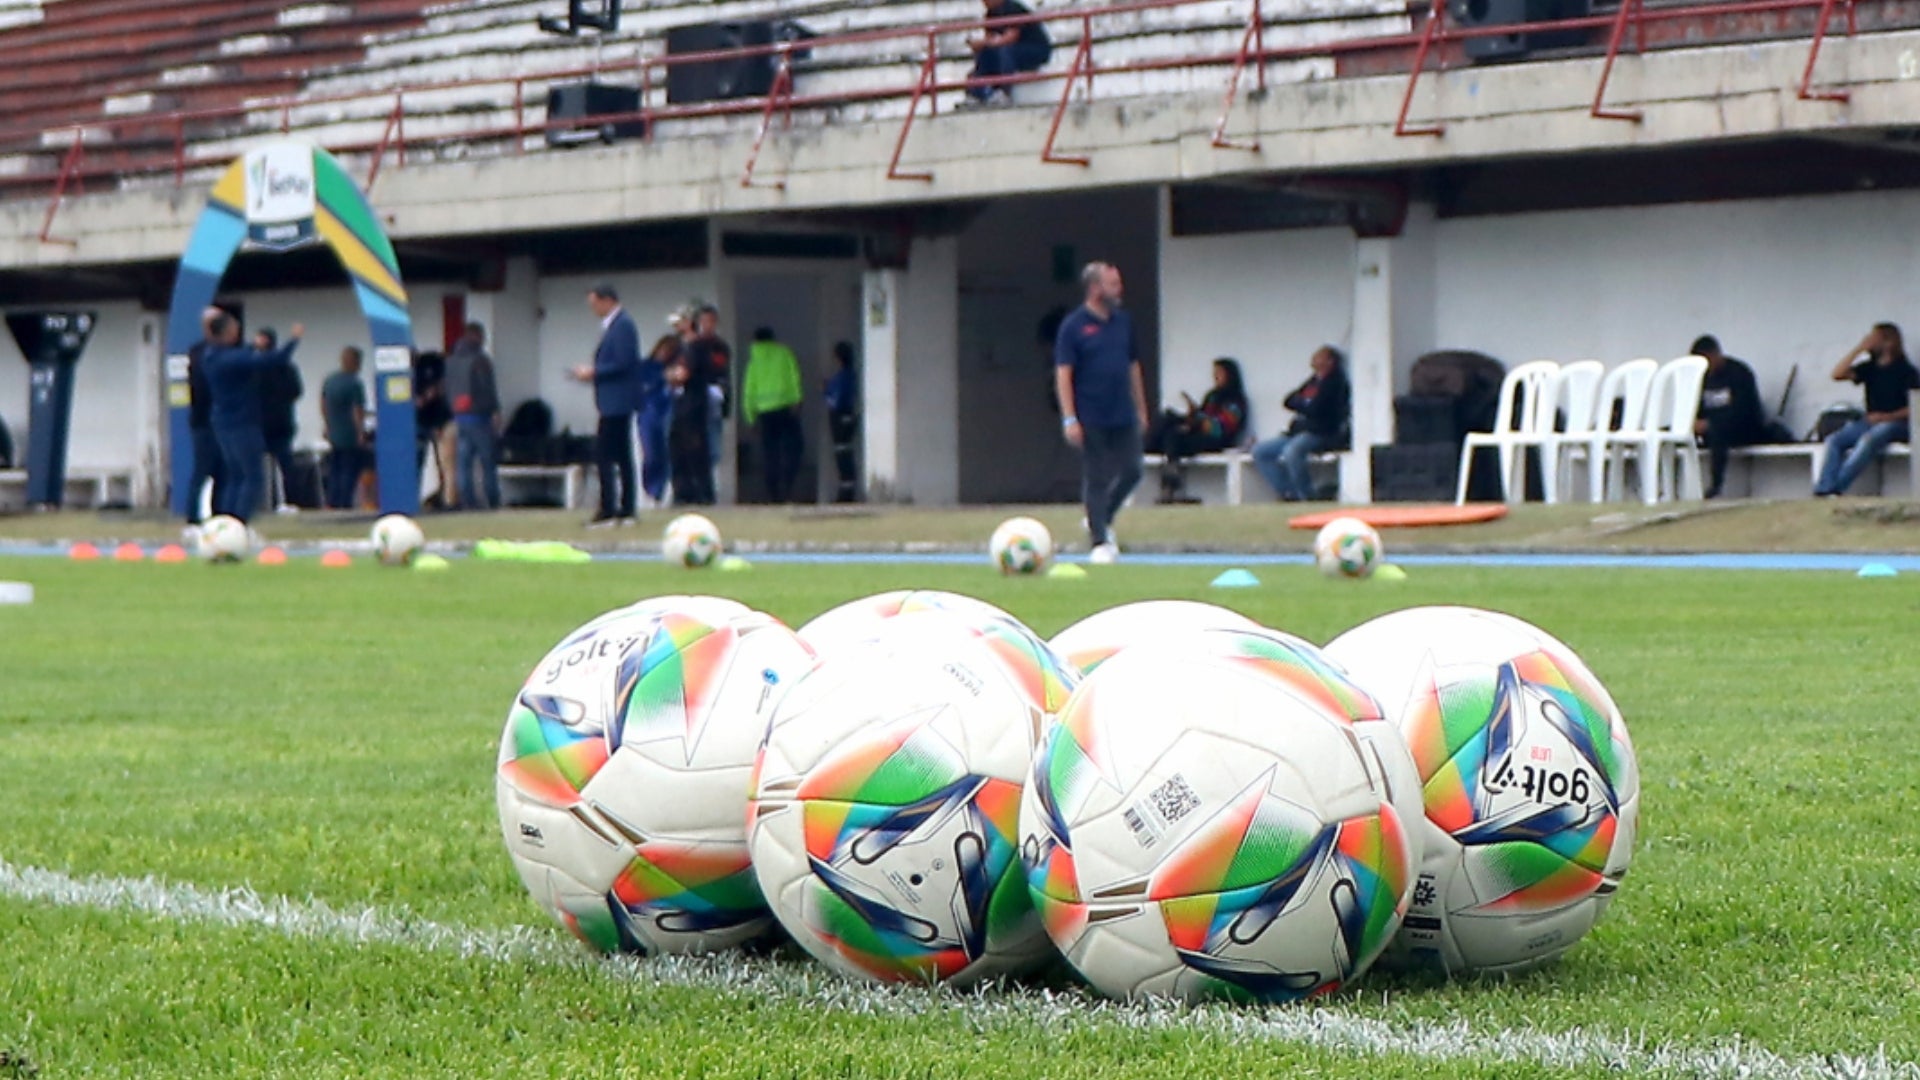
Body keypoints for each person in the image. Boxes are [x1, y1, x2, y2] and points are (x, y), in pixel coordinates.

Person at [1054, 261, 1148, 563]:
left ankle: (1100, 516)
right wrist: (1070, 417)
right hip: (1091, 413)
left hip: (1122, 412)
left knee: (1133, 470)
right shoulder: (1074, 326)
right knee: (1096, 475)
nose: (1119, 290)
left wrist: (1141, 408)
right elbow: (1064, 374)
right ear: (1095, 288)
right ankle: (1099, 541)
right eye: (1112, 284)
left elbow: (1133, 366)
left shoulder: (1123, 322)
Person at [203, 315, 301, 524]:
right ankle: (239, 523)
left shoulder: (211, 356)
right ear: (225, 332)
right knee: (252, 477)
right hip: (242, 422)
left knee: (235, 476)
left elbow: (242, 355)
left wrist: (253, 346)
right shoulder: (230, 360)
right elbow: (273, 360)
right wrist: (293, 340)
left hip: (222, 422)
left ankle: (226, 522)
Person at [1814, 322, 1920, 496]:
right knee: (1834, 440)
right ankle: (1824, 487)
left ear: (1888, 342)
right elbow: (1837, 374)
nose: (1869, 341)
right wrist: (1858, 349)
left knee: (1868, 440)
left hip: (1897, 424)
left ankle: (1836, 488)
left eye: (1874, 338)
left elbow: (1915, 407)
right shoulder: (1870, 368)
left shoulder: (1906, 371)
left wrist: (1887, 416)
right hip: (1869, 421)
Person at [570, 283, 643, 526]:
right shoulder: (616, 325)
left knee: (604, 454)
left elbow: (624, 362)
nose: (593, 309)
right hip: (613, 400)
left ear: (607, 300)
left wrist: (594, 372)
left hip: (618, 402)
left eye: (594, 303)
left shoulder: (622, 326)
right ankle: (626, 508)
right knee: (621, 455)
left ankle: (610, 507)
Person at [1252, 346, 1350, 502]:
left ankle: (1307, 495)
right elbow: (1289, 400)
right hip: (1298, 431)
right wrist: (1305, 403)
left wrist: (1303, 403)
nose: (1313, 359)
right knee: (1261, 451)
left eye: (1319, 356)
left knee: (1292, 451)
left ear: (1330, 361)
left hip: (1321, 433)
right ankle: (1289, 493)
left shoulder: (1335, 382)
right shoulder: (1313, 381)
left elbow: (1318, 408)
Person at [1148, 358, 1249, 503]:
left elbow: (1221, 428)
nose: (1215, 376)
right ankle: (1164, 465)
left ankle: (1170, 481)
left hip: (1217, 440)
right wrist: (1191, 418)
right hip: (1200, 432)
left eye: (1219, 373)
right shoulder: (1212, 396)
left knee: (1174, 437)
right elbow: (1201, 417)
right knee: (1168, 420)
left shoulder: (1236, 399)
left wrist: (1197, 418)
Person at [1689, 335, 1766, 499]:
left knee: (1718, 431)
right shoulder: (1699, 379)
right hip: (1710, 431)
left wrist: (1711, 424)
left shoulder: (1739, 373)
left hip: (1743, 429)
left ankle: (1716, 486)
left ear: (1715, 355)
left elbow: (1745, 411)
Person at [743, 326, 805, 503]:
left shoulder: (753, 362)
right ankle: (787, 488)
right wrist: (798, 400)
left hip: (764, 413)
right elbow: (795, 377)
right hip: (787, 409)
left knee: (770, 454)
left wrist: (750, 418)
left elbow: (749, 391)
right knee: (793, 449)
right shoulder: (785, 354)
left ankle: (773, 494)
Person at [446, 322, 502, 511]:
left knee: (464, 464)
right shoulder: (480, 360)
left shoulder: (452, 360)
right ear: (477, 336)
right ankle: (492, 500)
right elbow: (487, 388)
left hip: (459, 416)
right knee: (487, 462)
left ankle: (468, 501)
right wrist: (495, 411)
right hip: (479, 416)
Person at [252, 328, 304, 513]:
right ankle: (290, 501)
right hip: (283, 419)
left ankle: (259, 502)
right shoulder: (288, 368)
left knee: (256, 465)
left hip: (259, 422)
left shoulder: (255, 367)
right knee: (286, 465)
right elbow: (297, 391)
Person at [964, 0, 1051, 106]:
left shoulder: (1012, 7)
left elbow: (1010, 37)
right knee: (985, 53)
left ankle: (1004, 92)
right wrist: (979, 45)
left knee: (1005, 51)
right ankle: (976, 94)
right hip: (1011, 50)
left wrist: (985, 43)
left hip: (1034, 49)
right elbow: (990, 39)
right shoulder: (991, 14)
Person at [185, 306, 227, 523]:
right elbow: (201, 387)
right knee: (202, 469)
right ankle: (193, 518)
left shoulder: (225, 351)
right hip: (204, 420)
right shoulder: (200, 353)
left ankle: (220, 515)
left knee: (224, 470)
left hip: (222, 421)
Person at [321, 347, 369, 510]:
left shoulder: (330, 381)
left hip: (334, 431)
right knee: (349, 470)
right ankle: (345, 502)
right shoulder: (354, 383)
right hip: (349, 433)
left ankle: (332, 501)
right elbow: (357, 410)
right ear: (356, 362)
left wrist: (327, 425)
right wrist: (360, 432)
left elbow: (324, 404)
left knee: (335, 469)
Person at [639, 330, 678, 506]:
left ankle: (661, 490)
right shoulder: (645, 366)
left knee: (664, 451)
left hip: (666, 411)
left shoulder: (672, 368)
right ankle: (649, 489)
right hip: (647, 412)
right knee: (650, 452)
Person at [413, 348, 453, 508]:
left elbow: (438, 392)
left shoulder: (430, 367)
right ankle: (417, 496)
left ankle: (444, 495)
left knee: (442, 462)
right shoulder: (414, 374)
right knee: (417, 461)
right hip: (420, 422)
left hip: (434, 421)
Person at [825, 341, 860, 503]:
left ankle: (845, 495)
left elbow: (834, 401)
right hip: (849, 417)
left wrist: (825, 391)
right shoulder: (852, 375)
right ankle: (847, 491)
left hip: (839, 419)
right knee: (846, 454)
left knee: (842, 456)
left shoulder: (840, 378)